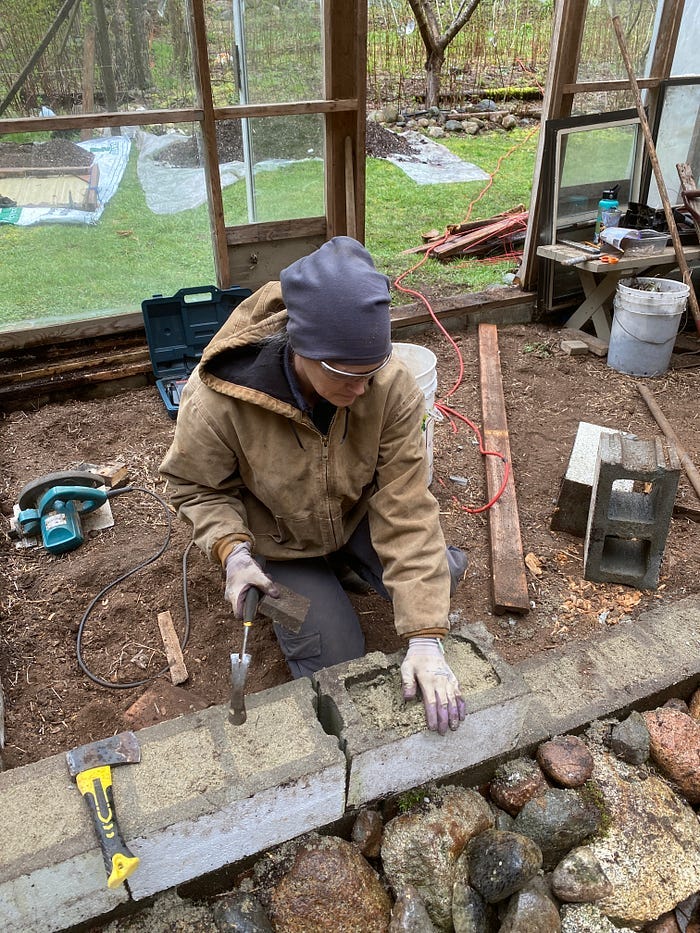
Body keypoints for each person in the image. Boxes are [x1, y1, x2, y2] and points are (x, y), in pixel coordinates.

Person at [160, 237, 468, 735]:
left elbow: (407, 504)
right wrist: (233, 555)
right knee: (340, 658)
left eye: (373, 371)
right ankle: (305, 583)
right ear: (304, 349)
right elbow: (195, 487)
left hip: (350, 517)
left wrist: (427, 638)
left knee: (439, 587)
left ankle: (346, 563)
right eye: (348, 376)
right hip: (277, 545)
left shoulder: (386, 386)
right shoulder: (218, 400)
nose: (363, 390)